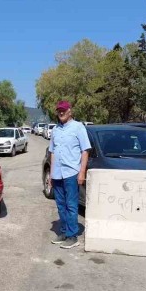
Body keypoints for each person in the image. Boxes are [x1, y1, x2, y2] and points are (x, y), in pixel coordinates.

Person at [49, 100, 91, 249]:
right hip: (57, 173)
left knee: (71, 205)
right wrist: (51, 175)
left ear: (69, 111)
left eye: (63, 110)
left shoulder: (78, 128)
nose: (61, 112)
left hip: (71, 173)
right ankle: (64, 232)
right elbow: (53, 152)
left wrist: (82, 173)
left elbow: (85, 151)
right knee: (61, 205)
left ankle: (73, 236)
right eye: (59, 110)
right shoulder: (55, 130)